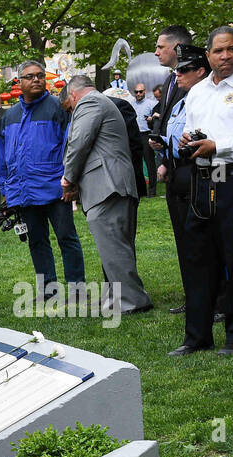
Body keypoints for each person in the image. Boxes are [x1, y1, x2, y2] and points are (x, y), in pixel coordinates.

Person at [171, 26, 233, 357]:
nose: (225, 56)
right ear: (208, 54)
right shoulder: (198, 92)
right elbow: (190, 129)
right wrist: (188, 139)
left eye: (231, 50)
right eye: (218, 51)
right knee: (198, 256)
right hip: (202, 179)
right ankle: (196, 337)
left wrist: (221, 146)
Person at [59, 76, 152, 316]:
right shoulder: (100, 101)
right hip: (113, 184)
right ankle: (118, 297)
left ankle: (133, 300)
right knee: (116, 244)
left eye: (69, 109)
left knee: (114, 246)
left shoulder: (88, 103)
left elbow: (79, 143)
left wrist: (68, 178)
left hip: (107, 185)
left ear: (72, 96)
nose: (71, 113)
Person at [0, 60, 85, 299]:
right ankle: (48, 289)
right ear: (19, 82)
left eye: (40, 76)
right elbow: (3, 154)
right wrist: (5, 186)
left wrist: (71, 180)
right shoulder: (9, 115)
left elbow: (70, 146)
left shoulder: (57, 108)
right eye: (30, 76)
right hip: (24, 190)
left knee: (67, 238)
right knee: (37, 241)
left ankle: (77, 288)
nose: (36, 79)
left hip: (56, 187)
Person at [153, 44, 206, 316]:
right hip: (176, 172)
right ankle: (194, 297)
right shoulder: (181, 97)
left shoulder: (205, 98)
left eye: (184, 70)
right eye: (177, 71)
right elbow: (170, 131)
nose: (178, 75)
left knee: (202, 243)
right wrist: (162, 149)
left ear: (200, 71)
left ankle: (215, 300)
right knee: (185, 241)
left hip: (198, 172)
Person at [130, 81, 159, 195]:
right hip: (135, 135)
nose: (138, 94)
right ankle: (140, 190)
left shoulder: (151, 104)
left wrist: (152, 119)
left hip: (146, 134)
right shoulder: (131, 104)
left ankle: (152, 191)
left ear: (144, 92)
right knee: (136, 163)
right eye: (136, 92)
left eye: (140, 92)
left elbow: (159, 118)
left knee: (150, 162)